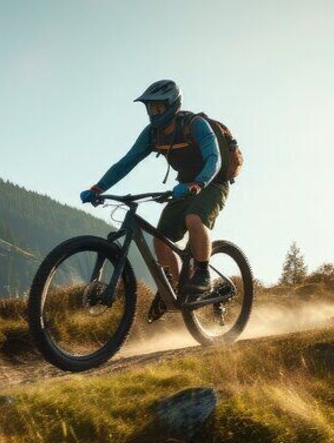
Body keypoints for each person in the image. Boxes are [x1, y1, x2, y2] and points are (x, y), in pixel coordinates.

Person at [79, 79, 229, 295]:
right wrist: (98, 188)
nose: (154, 112)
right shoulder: (152, 133)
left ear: (173, 105)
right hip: (185, 186)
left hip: (213, 182)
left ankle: (203, 273)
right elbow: (127, 162)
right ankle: (176, 290)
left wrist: (199, 183)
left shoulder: (195, 124)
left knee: (193, 218)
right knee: (161, 239)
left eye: (159, 107)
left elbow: (214, 158)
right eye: (151, 107)